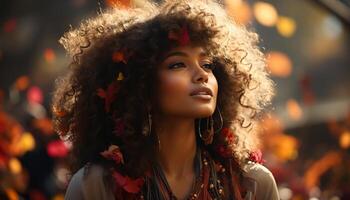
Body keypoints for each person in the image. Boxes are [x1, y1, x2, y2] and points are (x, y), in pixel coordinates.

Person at [51, 0, 279, 199]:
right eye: (177, 64)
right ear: (140, 84)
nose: (202, 75)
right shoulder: (96, 186)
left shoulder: (253, 186)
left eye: (207, 65)